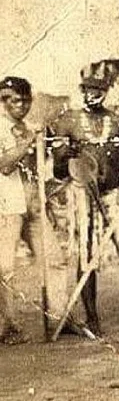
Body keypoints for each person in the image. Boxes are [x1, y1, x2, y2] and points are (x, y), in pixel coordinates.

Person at [50, 62, 119, 335]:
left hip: (113, 195)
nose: (92, 94)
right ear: (81, 89)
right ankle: (92, 316)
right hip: (83, 195)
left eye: (98, 89)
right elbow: (59, 169)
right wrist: (66, 154)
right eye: (87, 89)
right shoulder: (68, 121)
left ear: (107, 90)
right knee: (87, 256)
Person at [0, 77, 36, 343]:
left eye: (24, 100)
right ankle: (9, 325)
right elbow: (5, 165)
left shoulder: (21, 127)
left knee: (7, 265)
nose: (19, 105)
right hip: (6, 204)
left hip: (19, 202)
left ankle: (10, 323)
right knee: (5, 267)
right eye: (13, 99)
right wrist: (26, 145)